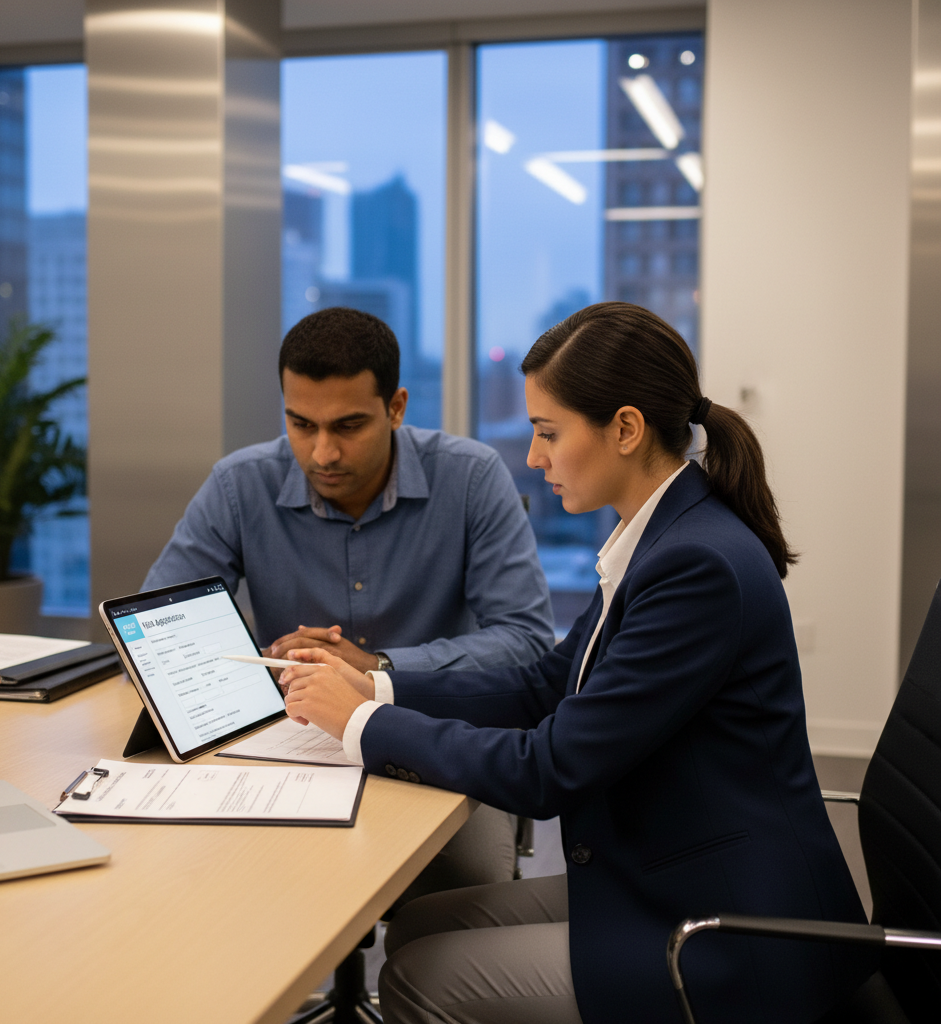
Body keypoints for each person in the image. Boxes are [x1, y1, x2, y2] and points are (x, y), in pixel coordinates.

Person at [278, 302, 875, 1024]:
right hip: (676, 868)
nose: (533, 458)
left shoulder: (694, 565)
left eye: (548, 433)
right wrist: (378, 683)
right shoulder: (659, 533)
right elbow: (547, 685)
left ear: (624, 429)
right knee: (421, 924)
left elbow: (549, 770)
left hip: (732, 928)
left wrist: (366, 725)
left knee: (418, 975)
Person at [144, 306, 555, 898]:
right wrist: (267, 668)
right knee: (209, 875)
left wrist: (375, 667)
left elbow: (528, 642)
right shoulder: (240, 484)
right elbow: (164, 628)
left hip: (436, 745)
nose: (322, 453)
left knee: (468, 885)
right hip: (284, 749)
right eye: (301, 424)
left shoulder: (470, 478)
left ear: (396, 408)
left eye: (348, 426)